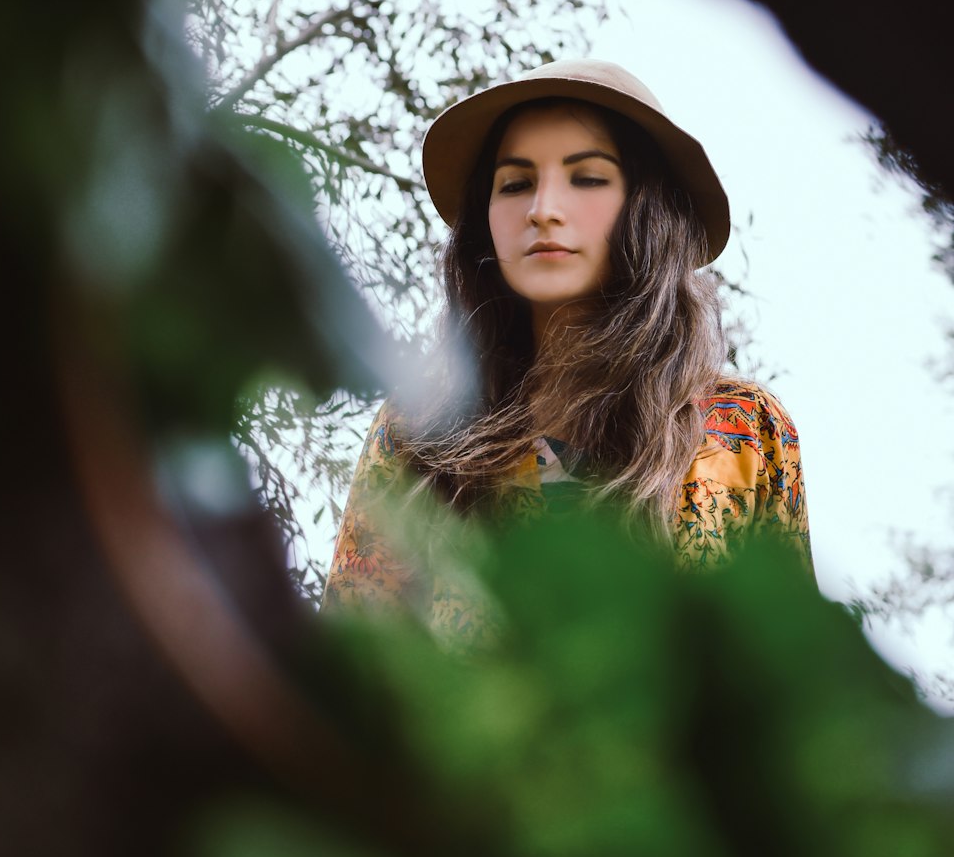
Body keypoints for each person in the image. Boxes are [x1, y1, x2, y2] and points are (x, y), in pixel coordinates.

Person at [322, 58, 810, 633]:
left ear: (645, 208)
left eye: (587, 177)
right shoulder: (419, 430)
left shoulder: (745, 431)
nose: (543, 209)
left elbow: (788, 672)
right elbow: (352, 668)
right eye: (516, 183)